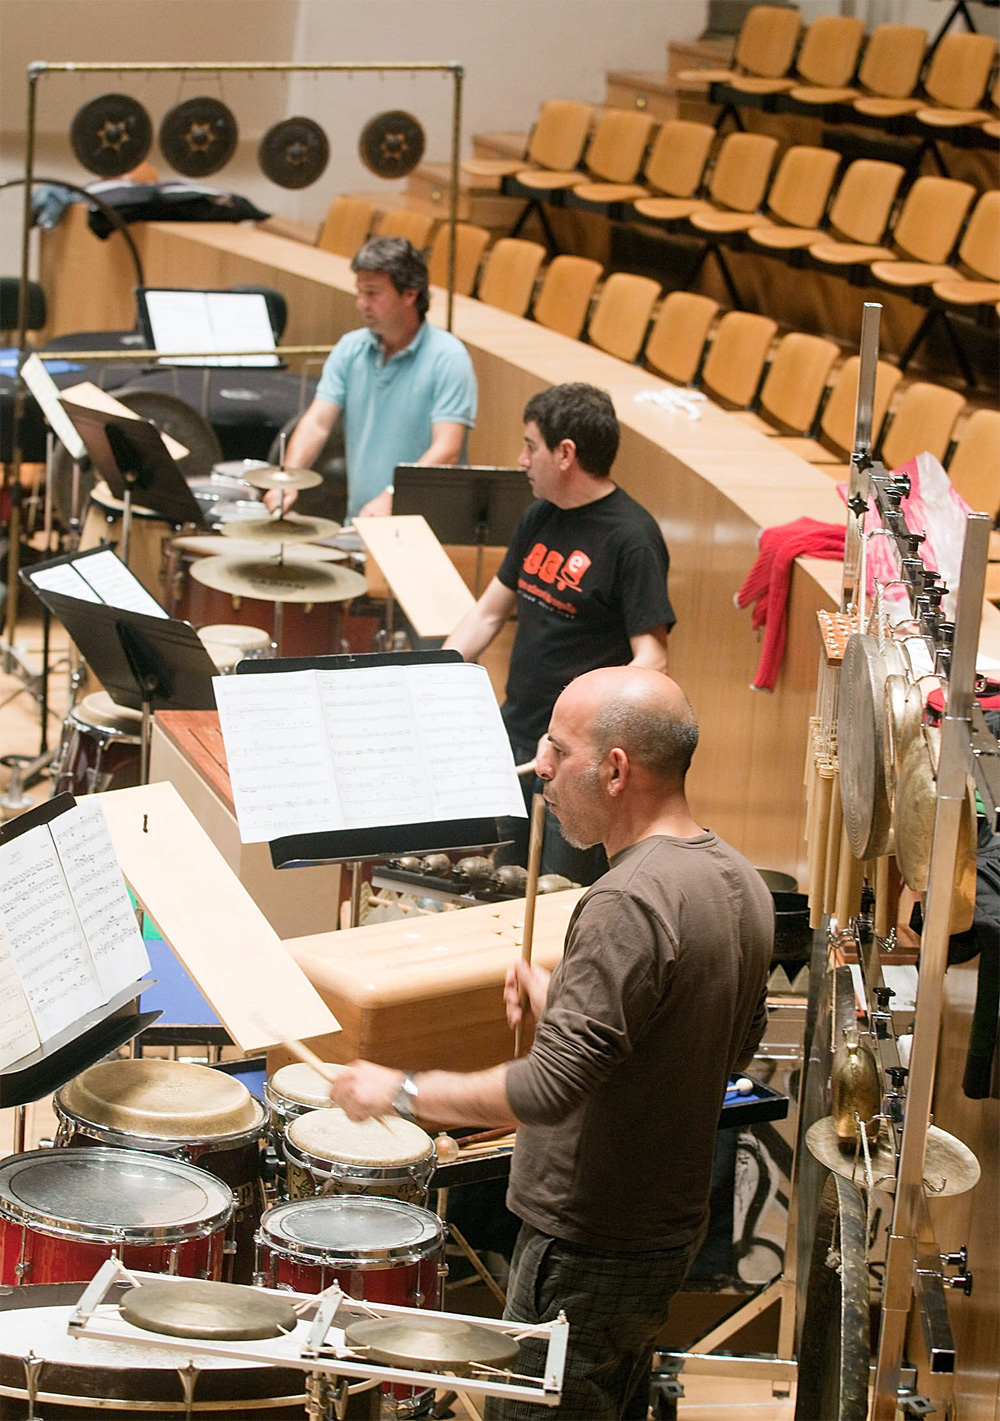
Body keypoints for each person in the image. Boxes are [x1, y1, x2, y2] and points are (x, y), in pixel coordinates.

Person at [329, 665, 774, 1420]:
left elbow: (545, 1090)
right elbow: (723, 1049)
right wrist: (567, 1001)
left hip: (588, 1244)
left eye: (557, 750)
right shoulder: (739, 879)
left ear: (616, 768)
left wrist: (400, 1090)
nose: (540, 765)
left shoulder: (626, 902)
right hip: (662, 1232)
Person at [444, 382, 675, 884]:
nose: (521, 459)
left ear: (565, 453)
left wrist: (583, 729)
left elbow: (652, 659)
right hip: (518, 734)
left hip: (576, 761)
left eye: (531, 445)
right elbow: (486, 615)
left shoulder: (632, 539)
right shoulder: (539, 516)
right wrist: (432, 674)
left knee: (556, 896)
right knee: (502, 882)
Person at [264, 236, 476, 521]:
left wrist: (392, 495)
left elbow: (447, 449)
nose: (361, 303)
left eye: (373, 294)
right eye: (360, 292)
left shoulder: (448, 357)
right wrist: (288, 478)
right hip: (362, 519)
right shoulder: (350, 349)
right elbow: (317, 424)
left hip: (423, 527)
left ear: (410, 294)